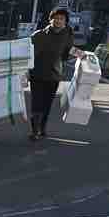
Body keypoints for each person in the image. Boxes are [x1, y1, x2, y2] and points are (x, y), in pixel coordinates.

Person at [28, 7, 85, 141]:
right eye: (56, 18)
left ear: (65, 21)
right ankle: (34, 130)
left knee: (47, 103)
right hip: (37, 74)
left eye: (62, 19)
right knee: (36, 102)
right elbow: (27, 53)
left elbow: (68, 52)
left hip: (54, 75)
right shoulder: (39, 35)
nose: (58, 21)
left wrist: (82, 55)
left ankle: (42, 128)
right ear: (51, 19)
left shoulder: (67, 35)